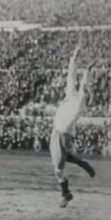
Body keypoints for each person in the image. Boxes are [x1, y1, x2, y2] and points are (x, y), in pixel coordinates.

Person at [25, 45, 96, 208]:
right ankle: (79, 169)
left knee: (58, 168)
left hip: (62, 133)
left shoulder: (80, 103)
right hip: (57, 132)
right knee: (58, 164)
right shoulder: (73, 96)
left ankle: (66, 193)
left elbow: (82, 85)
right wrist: (74, 57)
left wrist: (86, 70)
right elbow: (71, 77)